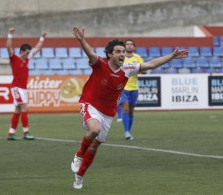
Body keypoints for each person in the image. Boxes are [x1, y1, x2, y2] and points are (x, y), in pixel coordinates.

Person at [70, 26, 188, 189]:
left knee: (96, 144)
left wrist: (172, 56)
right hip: (90, 103)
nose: (122, 55)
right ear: (110, 54)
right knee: (94, 130)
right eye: (118, 52)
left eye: (124, 52)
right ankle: (78, 155)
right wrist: (81, 39)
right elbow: (90, 52)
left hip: (108, 112)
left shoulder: (128, 69)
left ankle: (80, 175)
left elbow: (152, 64)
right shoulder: (99, 64)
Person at [6, 27, 46, 140]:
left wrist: (42, 38)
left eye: (29, 53)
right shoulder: (14, 58)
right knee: (25, 108)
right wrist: (10, 35)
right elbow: (8, 48)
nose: (28, 55)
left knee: (18, 110)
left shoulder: (27, 59)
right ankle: (26, 132)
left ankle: (11, 133)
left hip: (22, 88)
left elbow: (37, 48)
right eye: (26, 53)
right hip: (17, 87)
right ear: (21, 52)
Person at [116, 39, 145, 140]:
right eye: (127, 44)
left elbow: (144, 70)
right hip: (123, 88)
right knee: (125, 108)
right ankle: (126, 132)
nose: (129, 46)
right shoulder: (121, 57)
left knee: (131, 111)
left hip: (134, 88)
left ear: (134, 47)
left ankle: (129, 130)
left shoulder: (137, 58)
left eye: (131, 44)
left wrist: (141, 70)